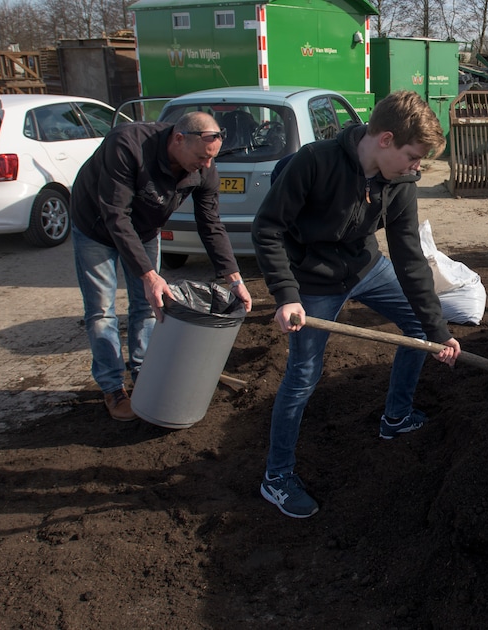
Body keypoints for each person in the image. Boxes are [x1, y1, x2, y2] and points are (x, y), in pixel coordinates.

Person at [251, 91, 461, 519]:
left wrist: (438, 330)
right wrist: (287, 295)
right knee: (303, 376)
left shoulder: (399, 182)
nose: (416, 168)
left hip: (365, 268)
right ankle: (276, 477)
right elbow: (268, 229)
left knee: (419, 331)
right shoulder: (315, 162)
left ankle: (396, 417)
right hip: (312, 281)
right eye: (413, 157)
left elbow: (408, 254)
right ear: (385, 140)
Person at [71, 111, 253, 422]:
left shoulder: (204, 167)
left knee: (148, 306)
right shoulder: (127, 144)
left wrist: (235, 278)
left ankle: (144, 372)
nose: (207, 166)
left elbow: (210, 224)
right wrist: (148, 274)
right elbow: (116, 214)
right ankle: (113, 387)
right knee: (102, 311)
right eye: (201, 157)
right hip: (96, 227)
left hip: (143, 230)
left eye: (212, 159)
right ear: (178, 139)